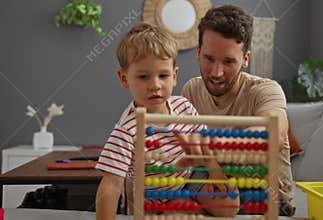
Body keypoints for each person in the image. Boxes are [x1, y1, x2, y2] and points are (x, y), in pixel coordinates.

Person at [95, 23, 239, 220]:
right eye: (143, 77)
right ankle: (181, 208)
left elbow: (203, 145)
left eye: (163, 76)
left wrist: (216, 173)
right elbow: (111, 183)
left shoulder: (183, 108)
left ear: (174, 76)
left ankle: (188, 204)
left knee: (230, 203)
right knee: (177, 215)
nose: (155, 85)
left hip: (188, 179)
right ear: (124, 78)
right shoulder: (127, 130)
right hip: (155, 196)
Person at [182, 5, 296, 216]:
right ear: (198, 53)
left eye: (228, 61)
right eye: (209, 59)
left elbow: (274, 135)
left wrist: (205, 147)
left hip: (263, 194)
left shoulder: (266, 90)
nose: (216, 73)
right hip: (213, 179)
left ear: (245, 59)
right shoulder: (192, 89)